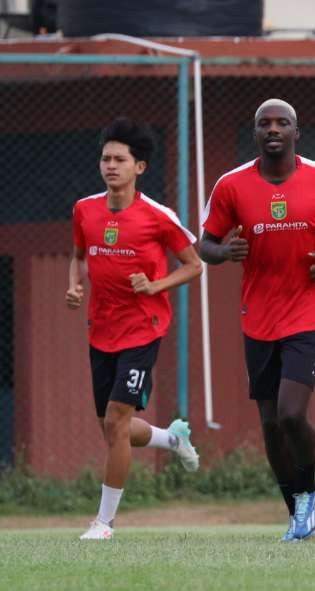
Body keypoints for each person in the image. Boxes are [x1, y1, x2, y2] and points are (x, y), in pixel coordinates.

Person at [200, 99, 315, 541]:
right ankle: (294, 509)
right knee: (270, 421)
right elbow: (205, 244)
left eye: (282, 123)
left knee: (293, 412)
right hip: (258, 316)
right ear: (255, 133)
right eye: (264, 124)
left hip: (309, 311)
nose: (273, 129)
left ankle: (308, 494)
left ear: (297, 132)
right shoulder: (231, 186)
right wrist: (224, 252)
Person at [69, 117, 202, 540]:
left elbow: (194, 265)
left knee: (116, 421)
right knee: (113, 429)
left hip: (144, 329)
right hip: (101, 329)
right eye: (105, 158)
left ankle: (104, 523)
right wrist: (74, 283)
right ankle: (171, 439)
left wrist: (156, 285)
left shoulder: (157, 217)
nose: (110, 166)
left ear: (138, 167)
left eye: (119, 159)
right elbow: (78, 255)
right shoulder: (84, 210)